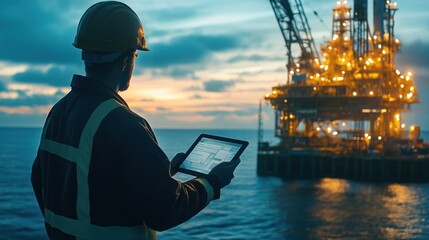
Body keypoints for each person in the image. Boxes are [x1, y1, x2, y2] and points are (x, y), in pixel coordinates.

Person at [31, 1, 240, 239]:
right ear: (125, 60)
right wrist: (213, 183)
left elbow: (45, 179)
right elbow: (165, 211)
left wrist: (163, 173)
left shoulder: (58, 112)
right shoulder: (126, 124)